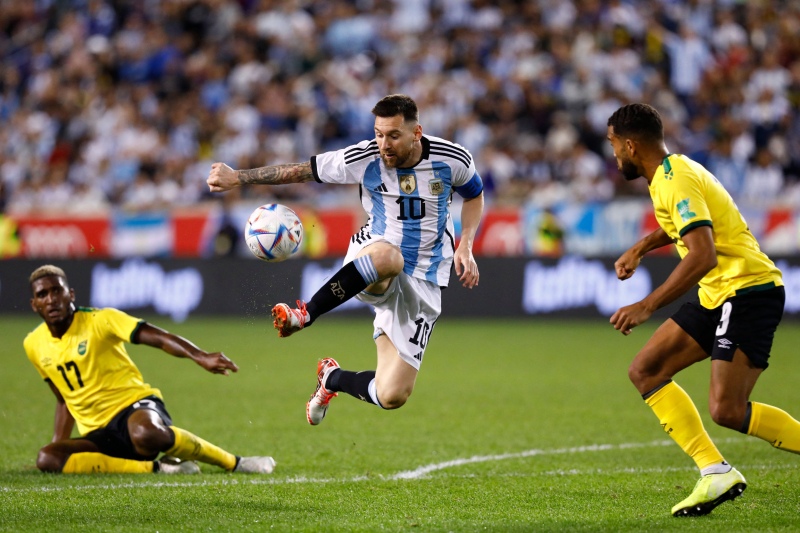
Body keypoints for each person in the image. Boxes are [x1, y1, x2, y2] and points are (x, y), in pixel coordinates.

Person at [207, 94, 483, 425]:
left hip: (425, 277)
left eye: (393, 135)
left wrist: (465, 242)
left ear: (417, 133)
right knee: (390, 256)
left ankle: (331, 379)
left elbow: (474, 195)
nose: (384, 144)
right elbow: (301, 171)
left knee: (392, 394)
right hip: (374, 256)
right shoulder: (364, 158)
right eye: (380, 134)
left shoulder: (453, 159)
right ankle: (304, 313)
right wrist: (239, 177)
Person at [607, 103, 800, 517]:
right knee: (646, 370)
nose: (614, 155)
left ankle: (718, 471)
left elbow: (703, 254)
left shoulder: (674, 181)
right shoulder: (672, 174)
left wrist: (647, 305)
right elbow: (683, 225)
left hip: (747, 290)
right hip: (719, 293)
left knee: (727, 410)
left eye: (613, 145)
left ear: (629, 144)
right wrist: (640, 247)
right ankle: (715, 471)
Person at [24, 264, 276, 475]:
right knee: (47, 458)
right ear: (35, 304)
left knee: (145, 432)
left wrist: (199, 356)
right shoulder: (33, 344)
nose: (51, 299)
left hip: (135, 407)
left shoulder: (101, 320)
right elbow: (63, 399)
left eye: (56, 291)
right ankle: (161, 468)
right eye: (43, 294)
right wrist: (60, 444)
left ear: (71, 294)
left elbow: (159, 337)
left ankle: (236, 462)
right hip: (98, 433)